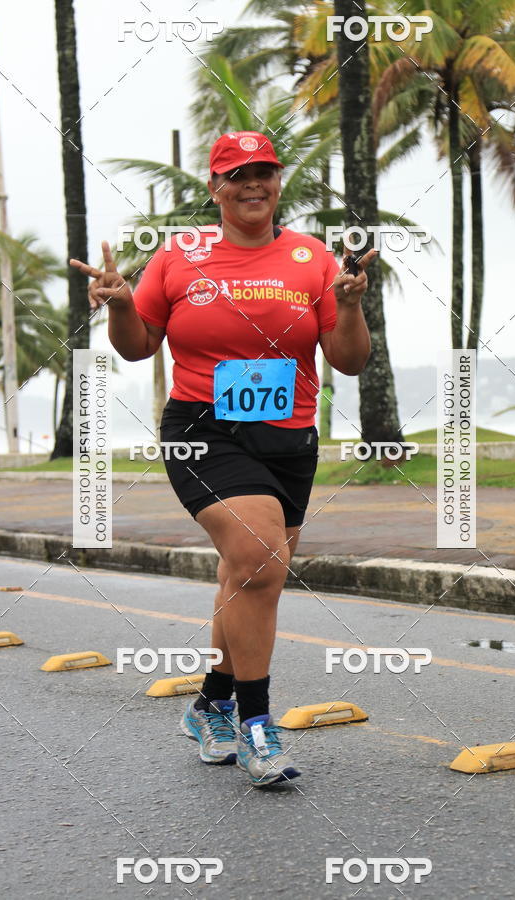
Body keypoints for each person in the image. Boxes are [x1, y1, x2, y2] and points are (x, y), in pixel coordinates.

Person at [71, 131, 375, 787]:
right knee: (260, 559)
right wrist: (122, 304)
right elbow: (136, 347)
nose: (252, 185)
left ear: (277, 182)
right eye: (237, 175)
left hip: (290, 440)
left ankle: (211, 699)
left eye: (263, 172)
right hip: (203, 432)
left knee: (251, 575)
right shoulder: (179, 257)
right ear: (214, 188)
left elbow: (349, 360)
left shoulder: (312, 258)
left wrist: (348, 307)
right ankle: (255, 725)